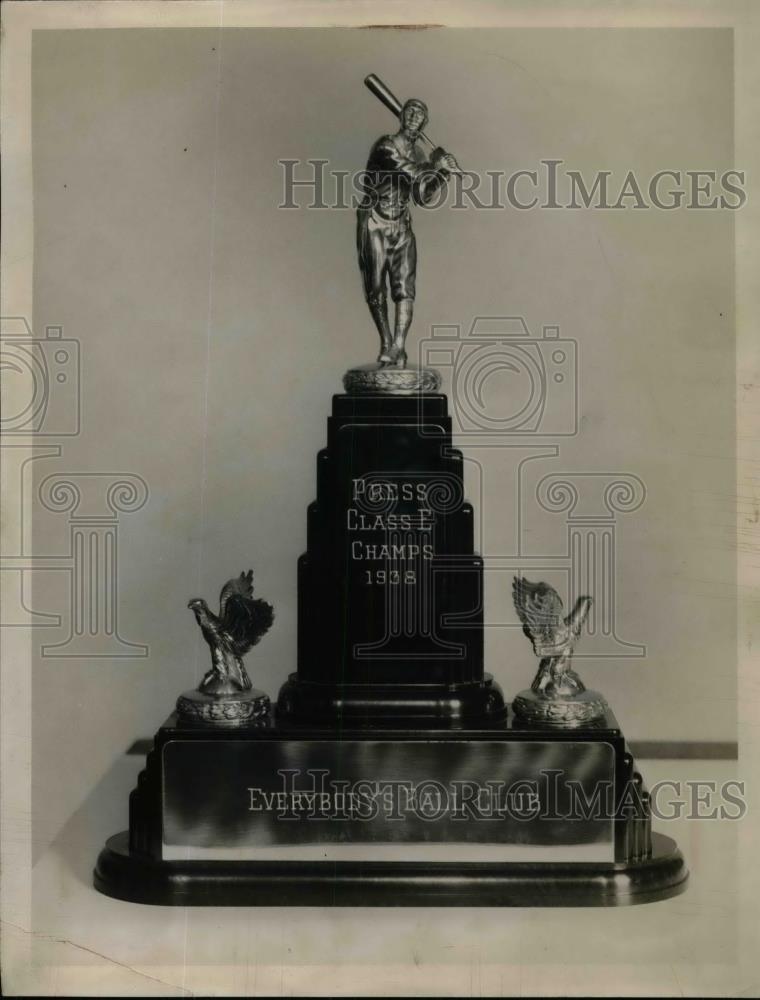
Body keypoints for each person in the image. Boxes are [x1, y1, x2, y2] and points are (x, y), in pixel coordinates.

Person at [357, 98, 460, 366]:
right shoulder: (385, 145)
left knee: (405, 287)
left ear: (424, 122)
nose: (415, 116)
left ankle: (399, 346)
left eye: (421, 113)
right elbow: (406, 170)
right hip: (375, 220)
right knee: (376, 286)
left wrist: (442, 175)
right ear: (402, 116)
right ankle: (386, 342)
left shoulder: (420, 156)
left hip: (402, 222)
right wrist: (435, 167)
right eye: (411, 111)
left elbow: (423, 196)